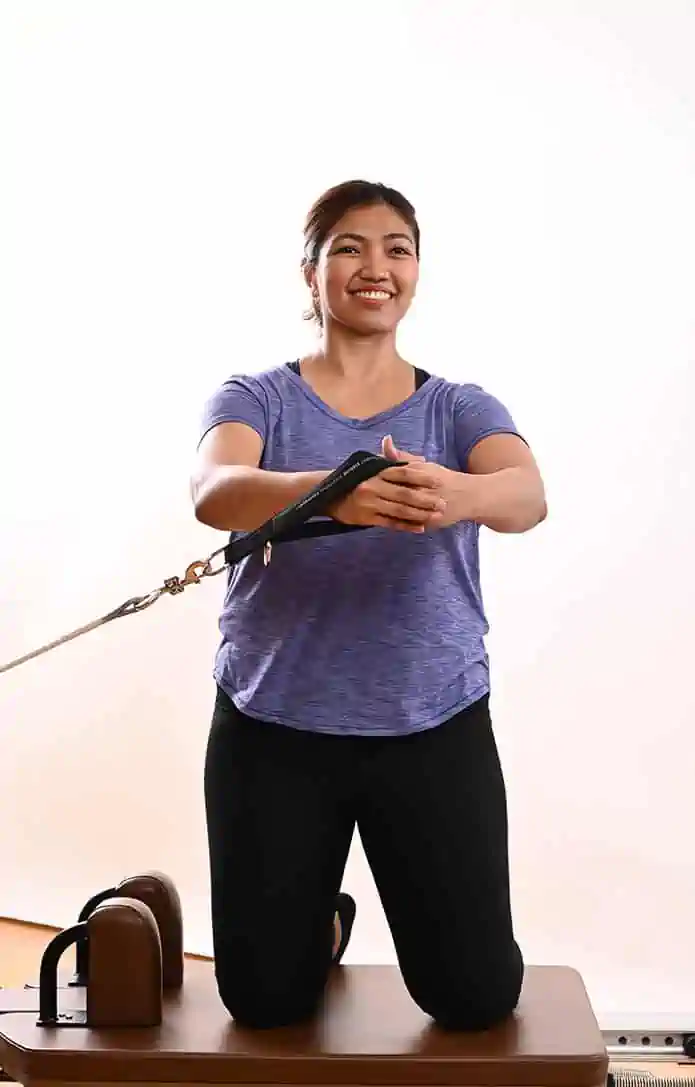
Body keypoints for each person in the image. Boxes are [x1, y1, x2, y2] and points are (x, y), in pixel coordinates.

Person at [191, 179, 547, 1032]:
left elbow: (526, 494)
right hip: (275, 723)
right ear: (310, 272)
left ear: (416, 271)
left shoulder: (457, 407)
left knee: (474, 998)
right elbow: (215, 490)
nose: (375, 266)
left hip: (432, 724)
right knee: (265, 1002)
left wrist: (453, 492)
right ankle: (319, 919)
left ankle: (328, 911)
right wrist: (335, 493)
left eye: (397, 247)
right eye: (349, 246)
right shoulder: (256, 398)